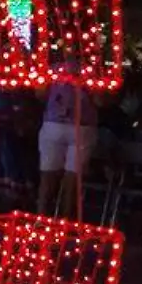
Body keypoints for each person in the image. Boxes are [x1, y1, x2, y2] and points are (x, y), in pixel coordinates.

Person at [37, 68, 97, 217]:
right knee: (72, 183)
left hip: (54, 122)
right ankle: (64, 227)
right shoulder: (94, 69)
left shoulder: (53, 68)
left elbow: (40, 94)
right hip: (82, 125)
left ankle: (42, 225)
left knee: (48, 179)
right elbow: (101, 100)